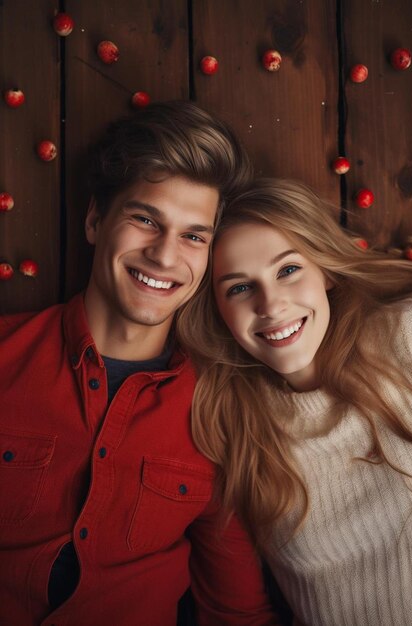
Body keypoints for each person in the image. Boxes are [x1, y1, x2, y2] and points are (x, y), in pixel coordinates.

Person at [0, 102, 281, 626]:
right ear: (94, 220)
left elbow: (236, 611)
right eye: (146, 219)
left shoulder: (217, 412)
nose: (165, 255)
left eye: (194, 235)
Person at [178, 178, 412, 626]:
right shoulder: (232, 430)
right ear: (218, 312)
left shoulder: (408, 337)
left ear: (325, 270)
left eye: (288, 270)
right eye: (239, 288)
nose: (271, 304)